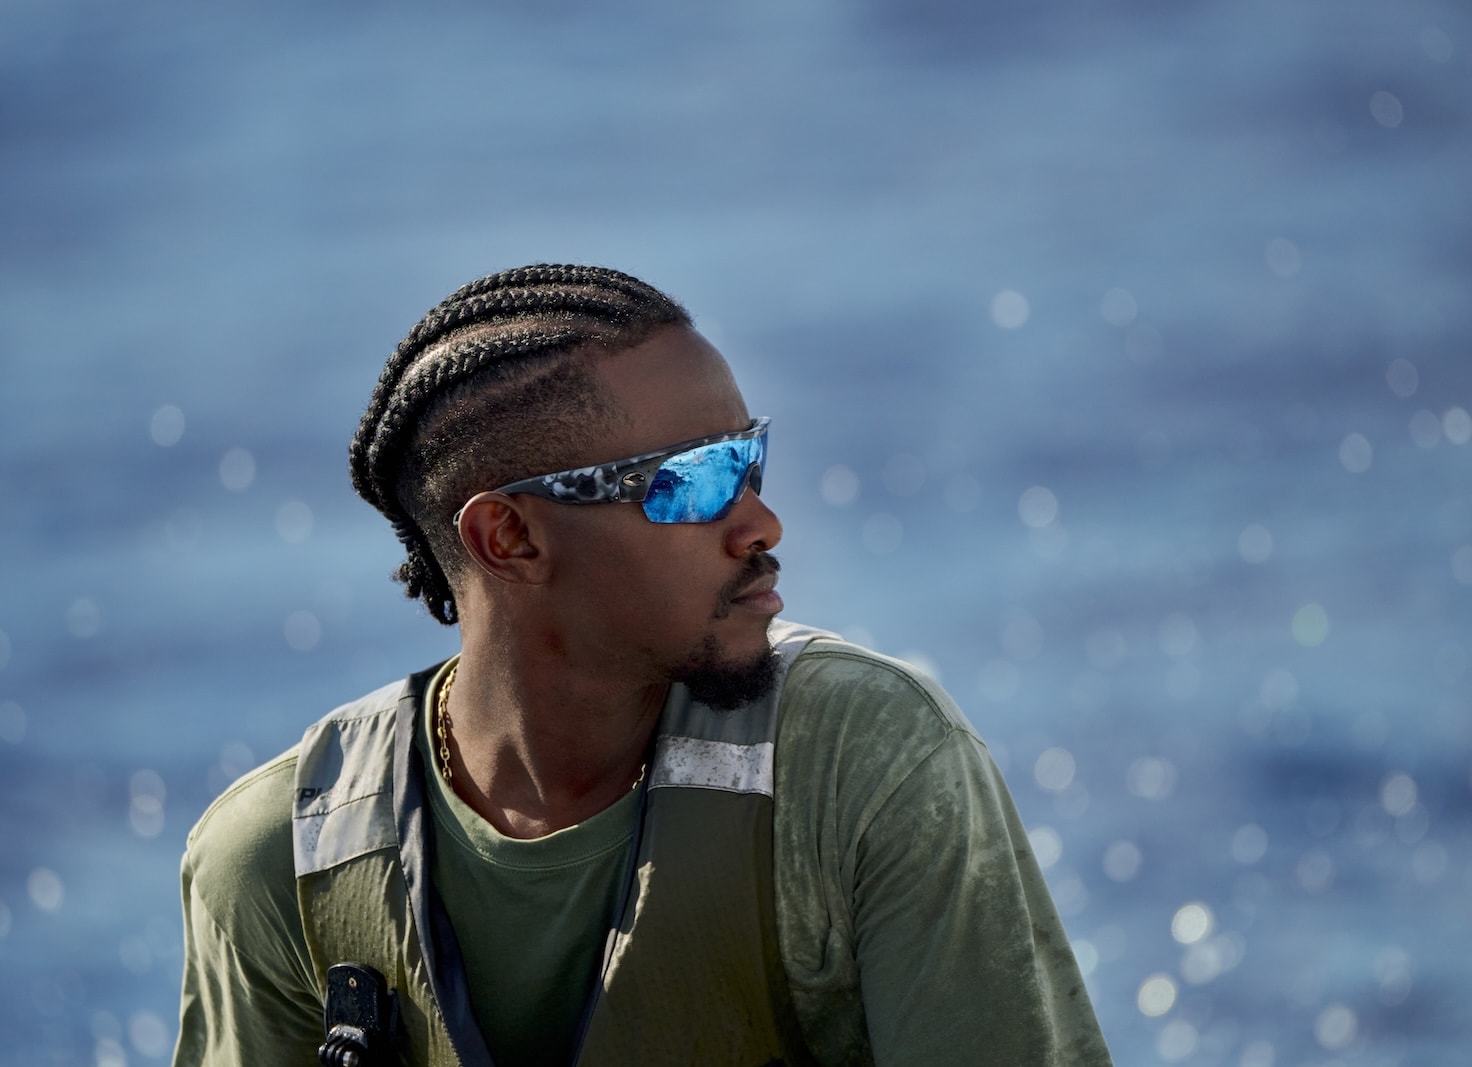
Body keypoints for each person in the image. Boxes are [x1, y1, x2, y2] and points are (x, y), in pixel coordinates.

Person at [172, 264, 1113, 1066]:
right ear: (510, 538)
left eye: (749, 460)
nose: (762, 523)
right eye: (693, 481)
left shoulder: (865, 764)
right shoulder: (277, 862)